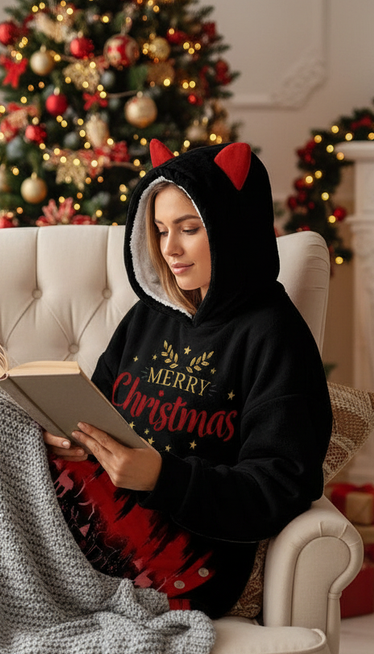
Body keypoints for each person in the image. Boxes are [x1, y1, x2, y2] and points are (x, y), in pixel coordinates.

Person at [44, 140, 332, 619]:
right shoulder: (147, 318)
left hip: (186, 560)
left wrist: (163, 477)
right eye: (159, 231)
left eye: (189, 229)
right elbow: (95, 409)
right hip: (88, 513)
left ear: (232, 228)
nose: (170, 249)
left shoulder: (274, 335)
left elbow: (281, 486)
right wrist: (71, 436)